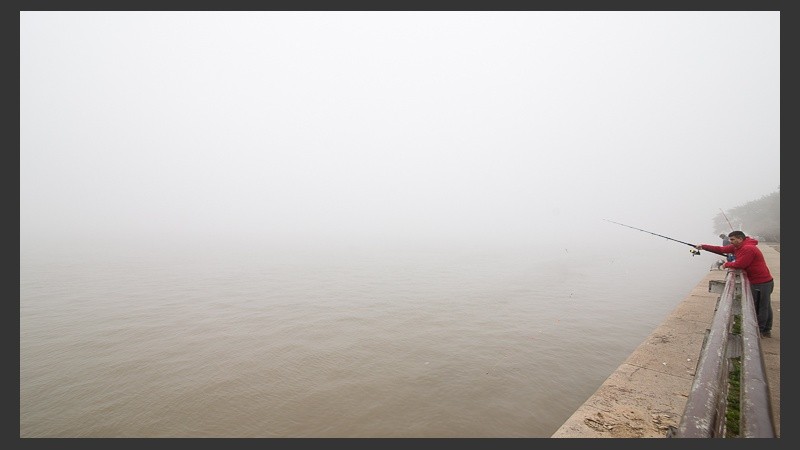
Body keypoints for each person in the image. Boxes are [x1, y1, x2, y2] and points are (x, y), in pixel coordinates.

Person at [696, 231, 774, 338]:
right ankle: (766, 330)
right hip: (760, 281)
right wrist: (703, 247)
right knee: (764, 306)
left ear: (740, 239)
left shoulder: (748, 249)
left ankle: (760, 331)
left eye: (732, 239)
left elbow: (740, 264)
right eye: (730, 239)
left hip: (761, 282)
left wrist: (726, 264)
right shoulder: (737, 247)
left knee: (761, 307)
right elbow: (721, 249)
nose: (730, 241)